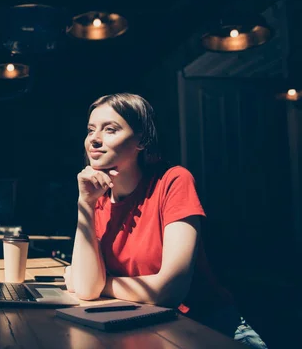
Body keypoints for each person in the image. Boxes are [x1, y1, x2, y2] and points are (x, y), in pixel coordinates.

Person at [63, 93, 267, 348]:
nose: (94, 139)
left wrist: (102, 284)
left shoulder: (173, 182)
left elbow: (169, 291)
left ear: (142, 140)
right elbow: (85, 290)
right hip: (147, 329)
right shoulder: (98, 200)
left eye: (110, 129)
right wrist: (85, 203)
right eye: (91, 130)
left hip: (210, 327)